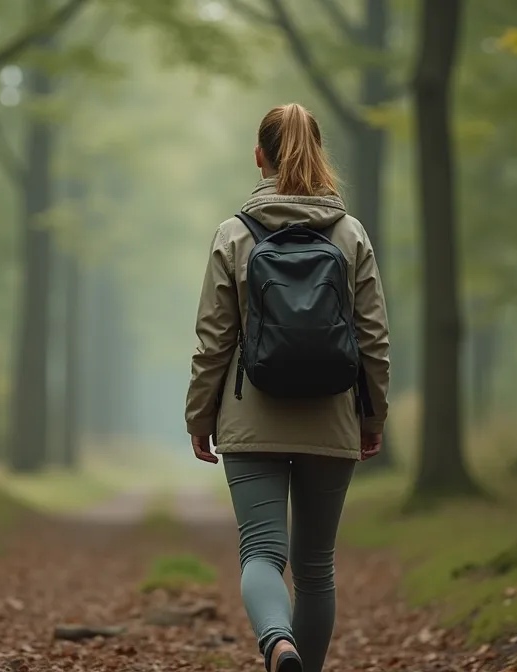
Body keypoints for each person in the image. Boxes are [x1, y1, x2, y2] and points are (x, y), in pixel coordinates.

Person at [183, 103, 391, 672]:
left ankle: (278, 643)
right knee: (316, 565)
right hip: (333, 415)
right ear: (320, 154)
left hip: (252, 416)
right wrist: (373, 419)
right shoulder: (350, 234)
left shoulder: (233, 234)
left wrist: (200, 419)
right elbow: (373, 338)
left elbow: (213, 342)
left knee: (261, 552)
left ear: (260, 157)